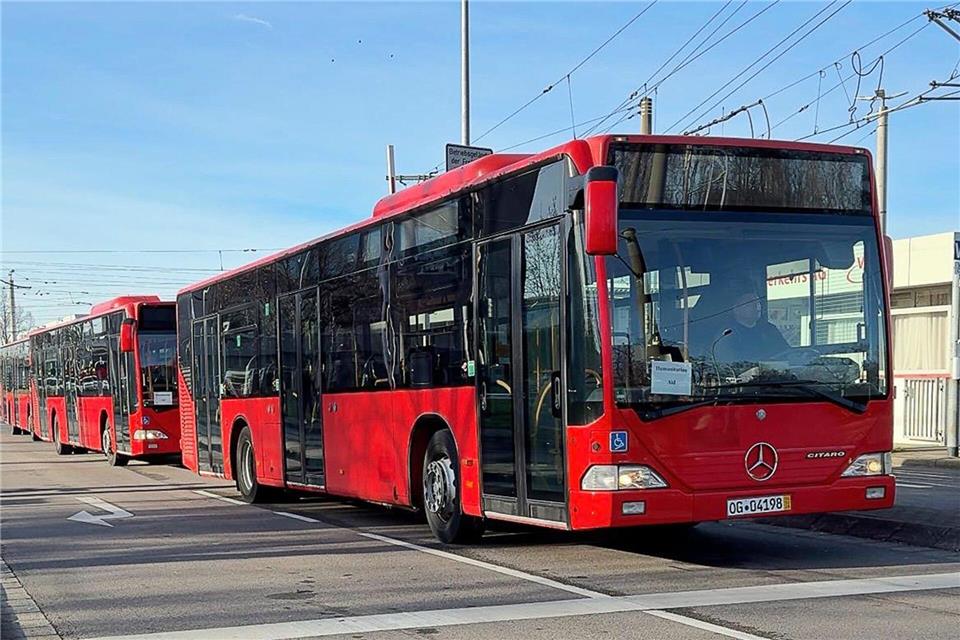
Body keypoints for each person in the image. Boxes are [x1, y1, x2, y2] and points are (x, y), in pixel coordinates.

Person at [713, 285, 789, 365]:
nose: (757, 307)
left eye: (758, 303)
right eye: (750, 303)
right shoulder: (727, 334)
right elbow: (728, 366)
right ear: (736, 309)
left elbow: (786, 353)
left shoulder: (769, 329)